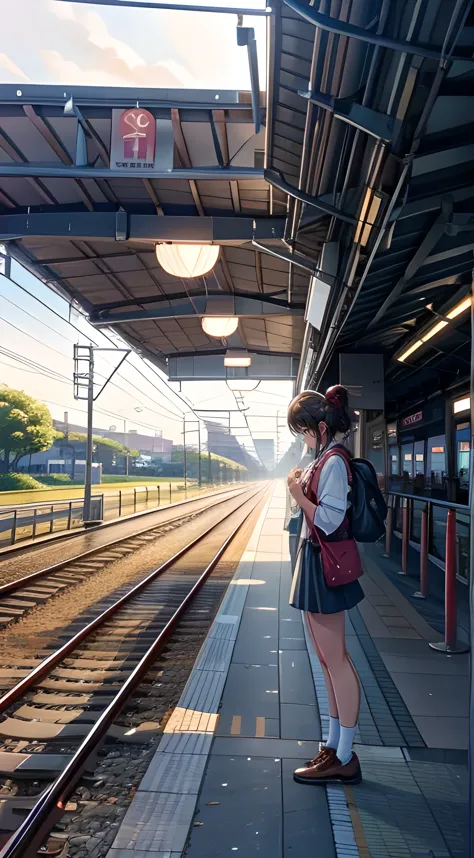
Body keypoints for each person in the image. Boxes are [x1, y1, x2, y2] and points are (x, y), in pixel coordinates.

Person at [286, 385, 364, 786]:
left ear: (318, 427)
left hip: (325, 568)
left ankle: (345, 756)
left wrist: (298, 494)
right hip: (315, 564)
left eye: (303, 431)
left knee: (336, 661)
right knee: (327, 661)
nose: (302, 439)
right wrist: (301, 488)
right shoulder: (324, 459)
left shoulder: (333, 461)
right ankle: (333, 746)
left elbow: (330, 522)